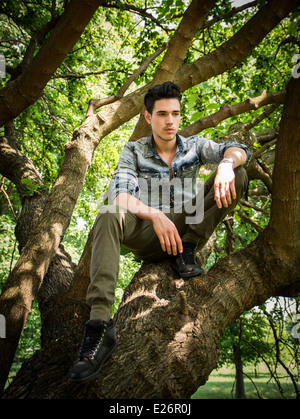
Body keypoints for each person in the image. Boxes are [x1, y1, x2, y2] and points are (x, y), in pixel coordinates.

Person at [69, 81, 251, 383]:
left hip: (183, 228)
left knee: (240, 174)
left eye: (176, 114)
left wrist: (227, 163)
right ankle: (100, 327)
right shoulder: (133, 151)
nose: (170, 121)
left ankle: (188, 247)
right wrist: (154, 214)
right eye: (163, 113)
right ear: (147, 117)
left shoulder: (194, 146)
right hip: (145, 232)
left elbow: (238, 150)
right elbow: (120, 194)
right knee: (108, 211)